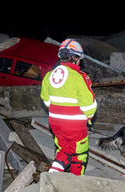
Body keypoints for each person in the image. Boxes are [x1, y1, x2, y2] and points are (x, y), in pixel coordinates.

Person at [41, 39, 97, 175]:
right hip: (75, 127)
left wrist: (59, 112)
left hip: (55, 124)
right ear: (76, 58)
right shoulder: (79, 78)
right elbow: (89, 105)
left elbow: (46, 100)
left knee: (63, 152)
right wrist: (88, 117)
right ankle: (73, 187)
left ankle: (51, 179)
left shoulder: (49, 76)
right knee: (80, 156)